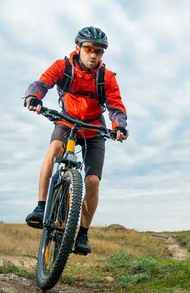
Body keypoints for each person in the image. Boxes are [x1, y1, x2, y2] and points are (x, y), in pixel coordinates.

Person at [23, 26, 128, 255]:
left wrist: (118, 126)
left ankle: (82, 233)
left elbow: (116, 106)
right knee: (55, 149)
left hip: (93, 128)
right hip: (67, 121)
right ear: (78, 47)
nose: (93, 55)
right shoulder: (62, 67)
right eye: (89, 49)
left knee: (92, 181)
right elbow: (42, 83)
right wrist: (34, 97)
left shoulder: (107, 78)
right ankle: (41, 208)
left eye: (98, 51)